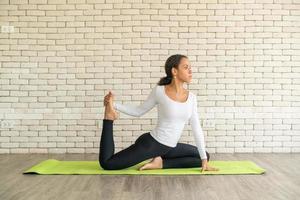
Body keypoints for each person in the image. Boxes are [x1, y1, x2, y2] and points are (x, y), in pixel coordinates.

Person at [99, 54, 219, 172]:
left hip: (170, 147)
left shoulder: (191, 98)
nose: (190, 71)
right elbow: (139, 111)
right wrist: (113, 105)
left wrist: (203, 160)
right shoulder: (160, 91)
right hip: (152, 144)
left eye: (190, 67)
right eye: (186, 67)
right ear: (174, 71)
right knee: (107, 163)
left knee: (205, 156)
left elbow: (196, 127)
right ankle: (108, 118)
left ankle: (160, 163)